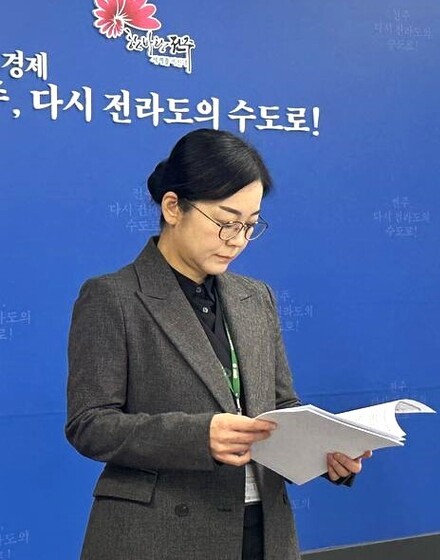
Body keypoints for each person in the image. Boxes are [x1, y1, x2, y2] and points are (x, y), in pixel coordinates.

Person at [65, 129, 368, 560]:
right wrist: (198, 436)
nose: (238, 240)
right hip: (159, 534)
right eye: (226, 222)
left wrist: (324, 451)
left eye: (250, 225)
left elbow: (281, 406)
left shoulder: (255, 297)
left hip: (265, 530)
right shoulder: (113, 297)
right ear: (173, 207)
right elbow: (90, 424)